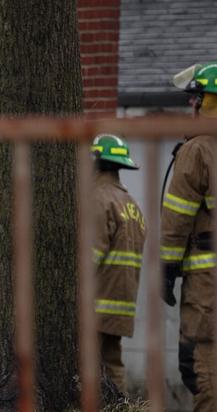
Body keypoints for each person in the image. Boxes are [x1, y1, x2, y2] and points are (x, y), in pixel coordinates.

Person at [162, 62, 217, 412]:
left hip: (206, 280)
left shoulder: (197, 150)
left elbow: (177, 218)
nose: (191, 107)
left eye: (196, 99)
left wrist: (166, 269)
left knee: (200, 363)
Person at [90, 134, 145, 393]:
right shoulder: (131, 204)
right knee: (112, 361)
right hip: (122, 301)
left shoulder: (99, 199)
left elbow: (90, 253)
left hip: (97, 299)